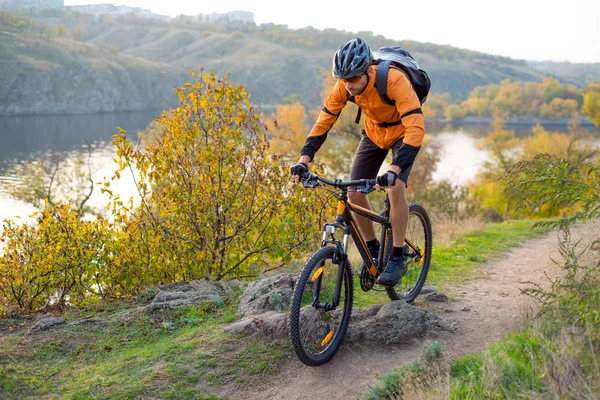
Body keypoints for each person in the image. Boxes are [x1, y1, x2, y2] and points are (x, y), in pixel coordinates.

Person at [290, 36, 426, 286]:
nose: (348, 85)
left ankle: (396, 255)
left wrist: (395, 168)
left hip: (403, 133)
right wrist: (304, 159)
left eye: (353, 78)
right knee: (353, 192)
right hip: (374, 132)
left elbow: (416, 127)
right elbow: (324, 122)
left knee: (395, 187)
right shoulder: (344, 86)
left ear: (367, 71)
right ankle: (373, 250)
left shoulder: (394, 80)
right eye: (344, 79)